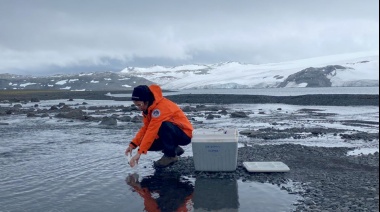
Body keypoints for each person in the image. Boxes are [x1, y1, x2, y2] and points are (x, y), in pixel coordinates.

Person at [125, 84, 193, 168]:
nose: (139, 108)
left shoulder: (160, 108)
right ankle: (175, 149)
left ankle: (170, 156)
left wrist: (139, 153)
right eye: (136, 105)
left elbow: (151, 131)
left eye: (139, 105)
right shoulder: (149, 108)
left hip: (184, 134)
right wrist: (133, 145)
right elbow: (145, 128)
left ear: (146, 101)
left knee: (163, 125)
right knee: (144, 143)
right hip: (174, 133)